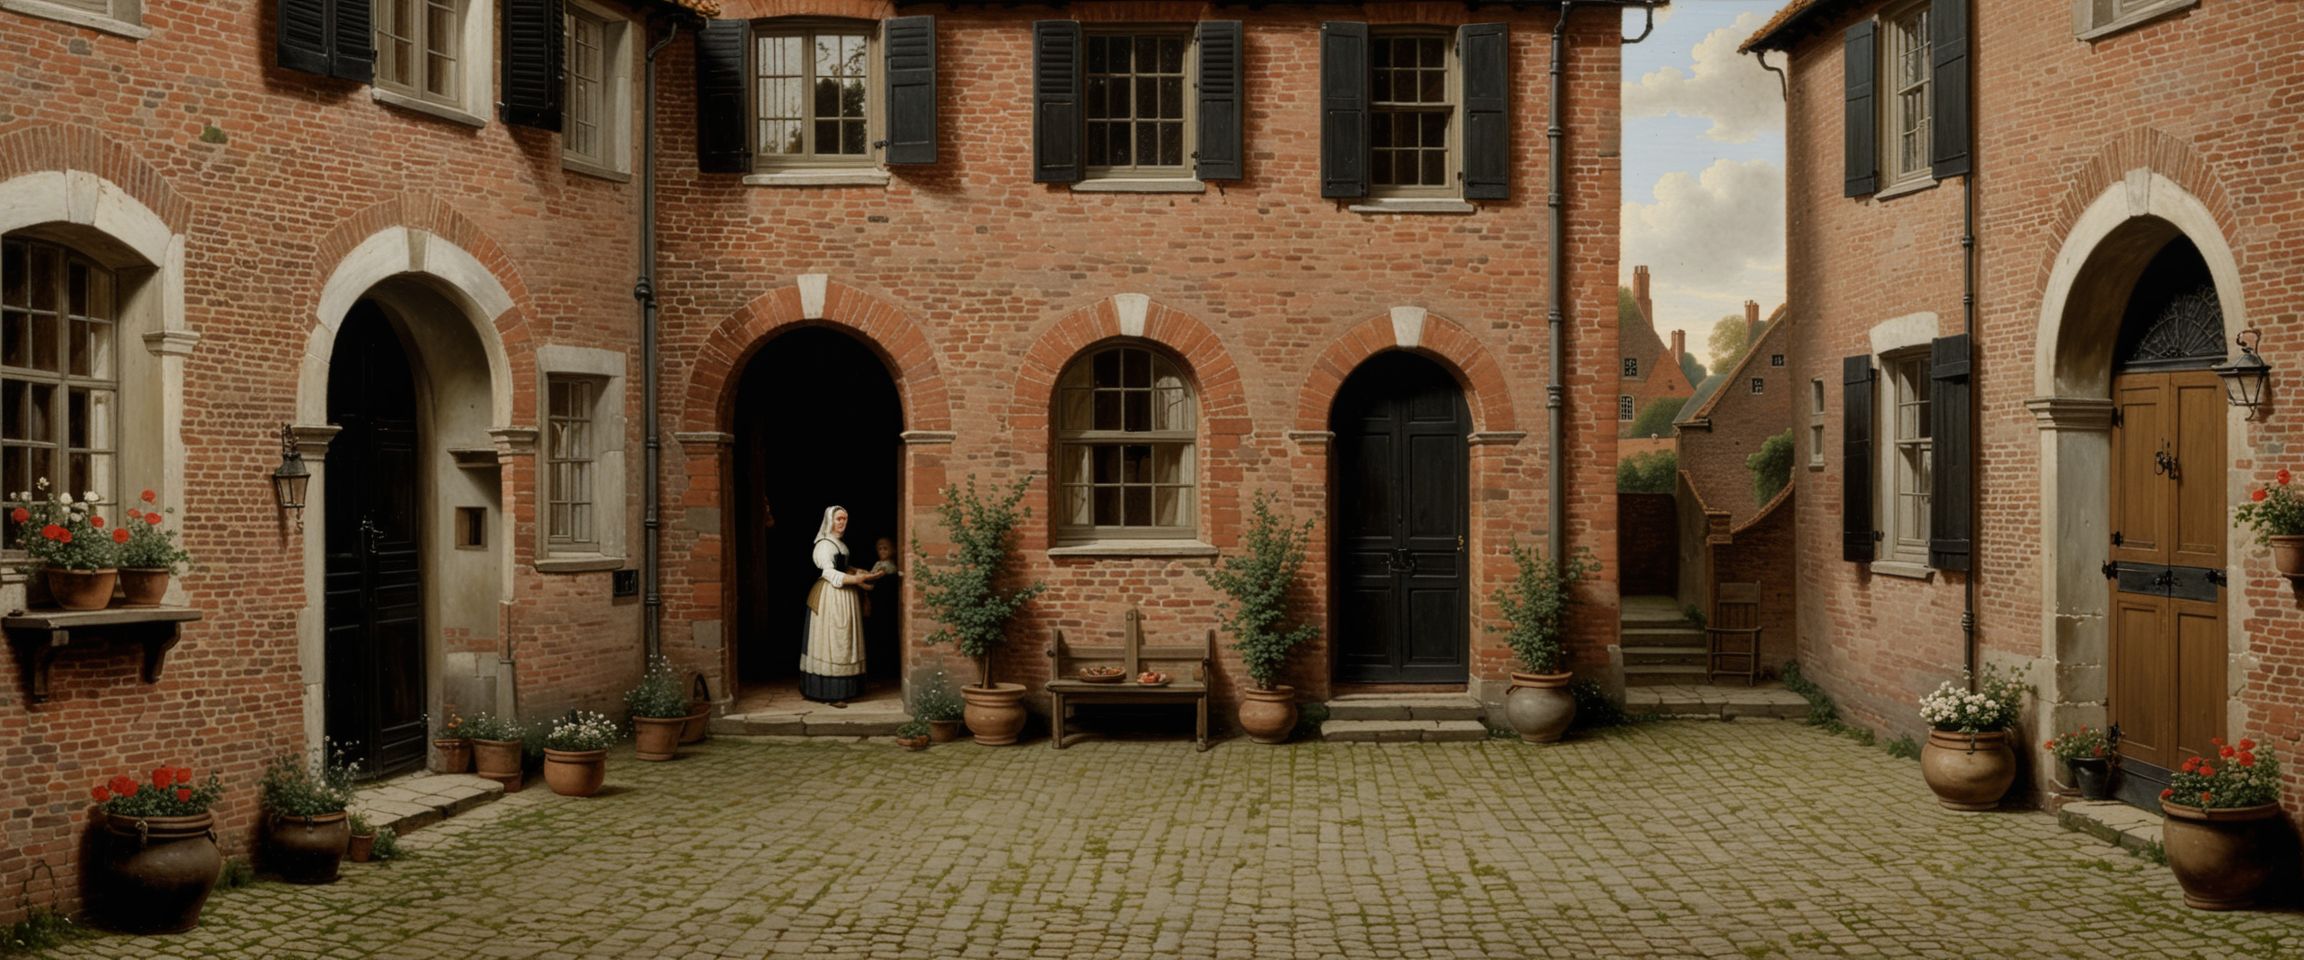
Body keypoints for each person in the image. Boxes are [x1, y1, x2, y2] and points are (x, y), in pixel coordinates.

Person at [800, 506, 882, 706]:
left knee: (845, 639)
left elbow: (844, 567)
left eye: (845, 519)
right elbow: (828, 572)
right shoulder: (824, 545)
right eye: (839, 519)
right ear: (830, 521)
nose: (842, 523)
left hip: (846, 596)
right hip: (831, 597)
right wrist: (857, 579)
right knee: (833, 640)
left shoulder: (841, 545)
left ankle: (849, 688)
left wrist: (859, 572)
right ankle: (829, 692)